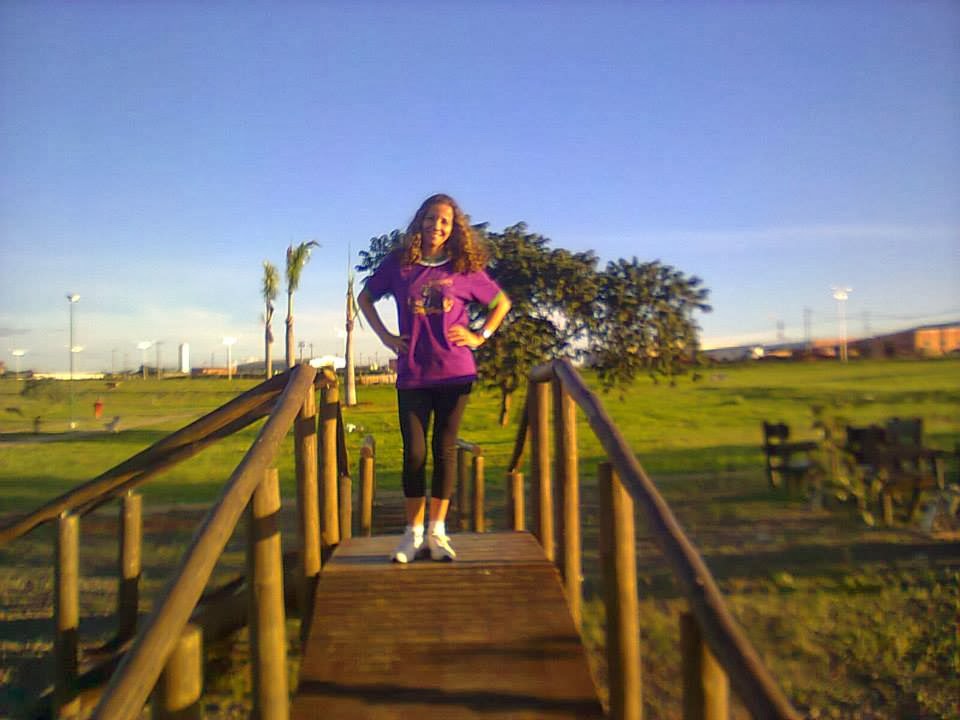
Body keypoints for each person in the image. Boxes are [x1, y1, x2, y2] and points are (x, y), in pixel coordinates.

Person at [358, 193, 511, 562]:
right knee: (414, 452)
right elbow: (364, 299)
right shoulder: (400, 264)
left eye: (445, 221)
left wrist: (480, 335)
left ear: (454, 228)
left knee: (444, 450)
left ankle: (437, 533)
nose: (436, 226)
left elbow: (500, 303)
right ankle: (412, 534)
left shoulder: (463, 268)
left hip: (455, 373)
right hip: (413, 373)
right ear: (420, 221)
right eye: (431, 218)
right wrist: (386, 337)